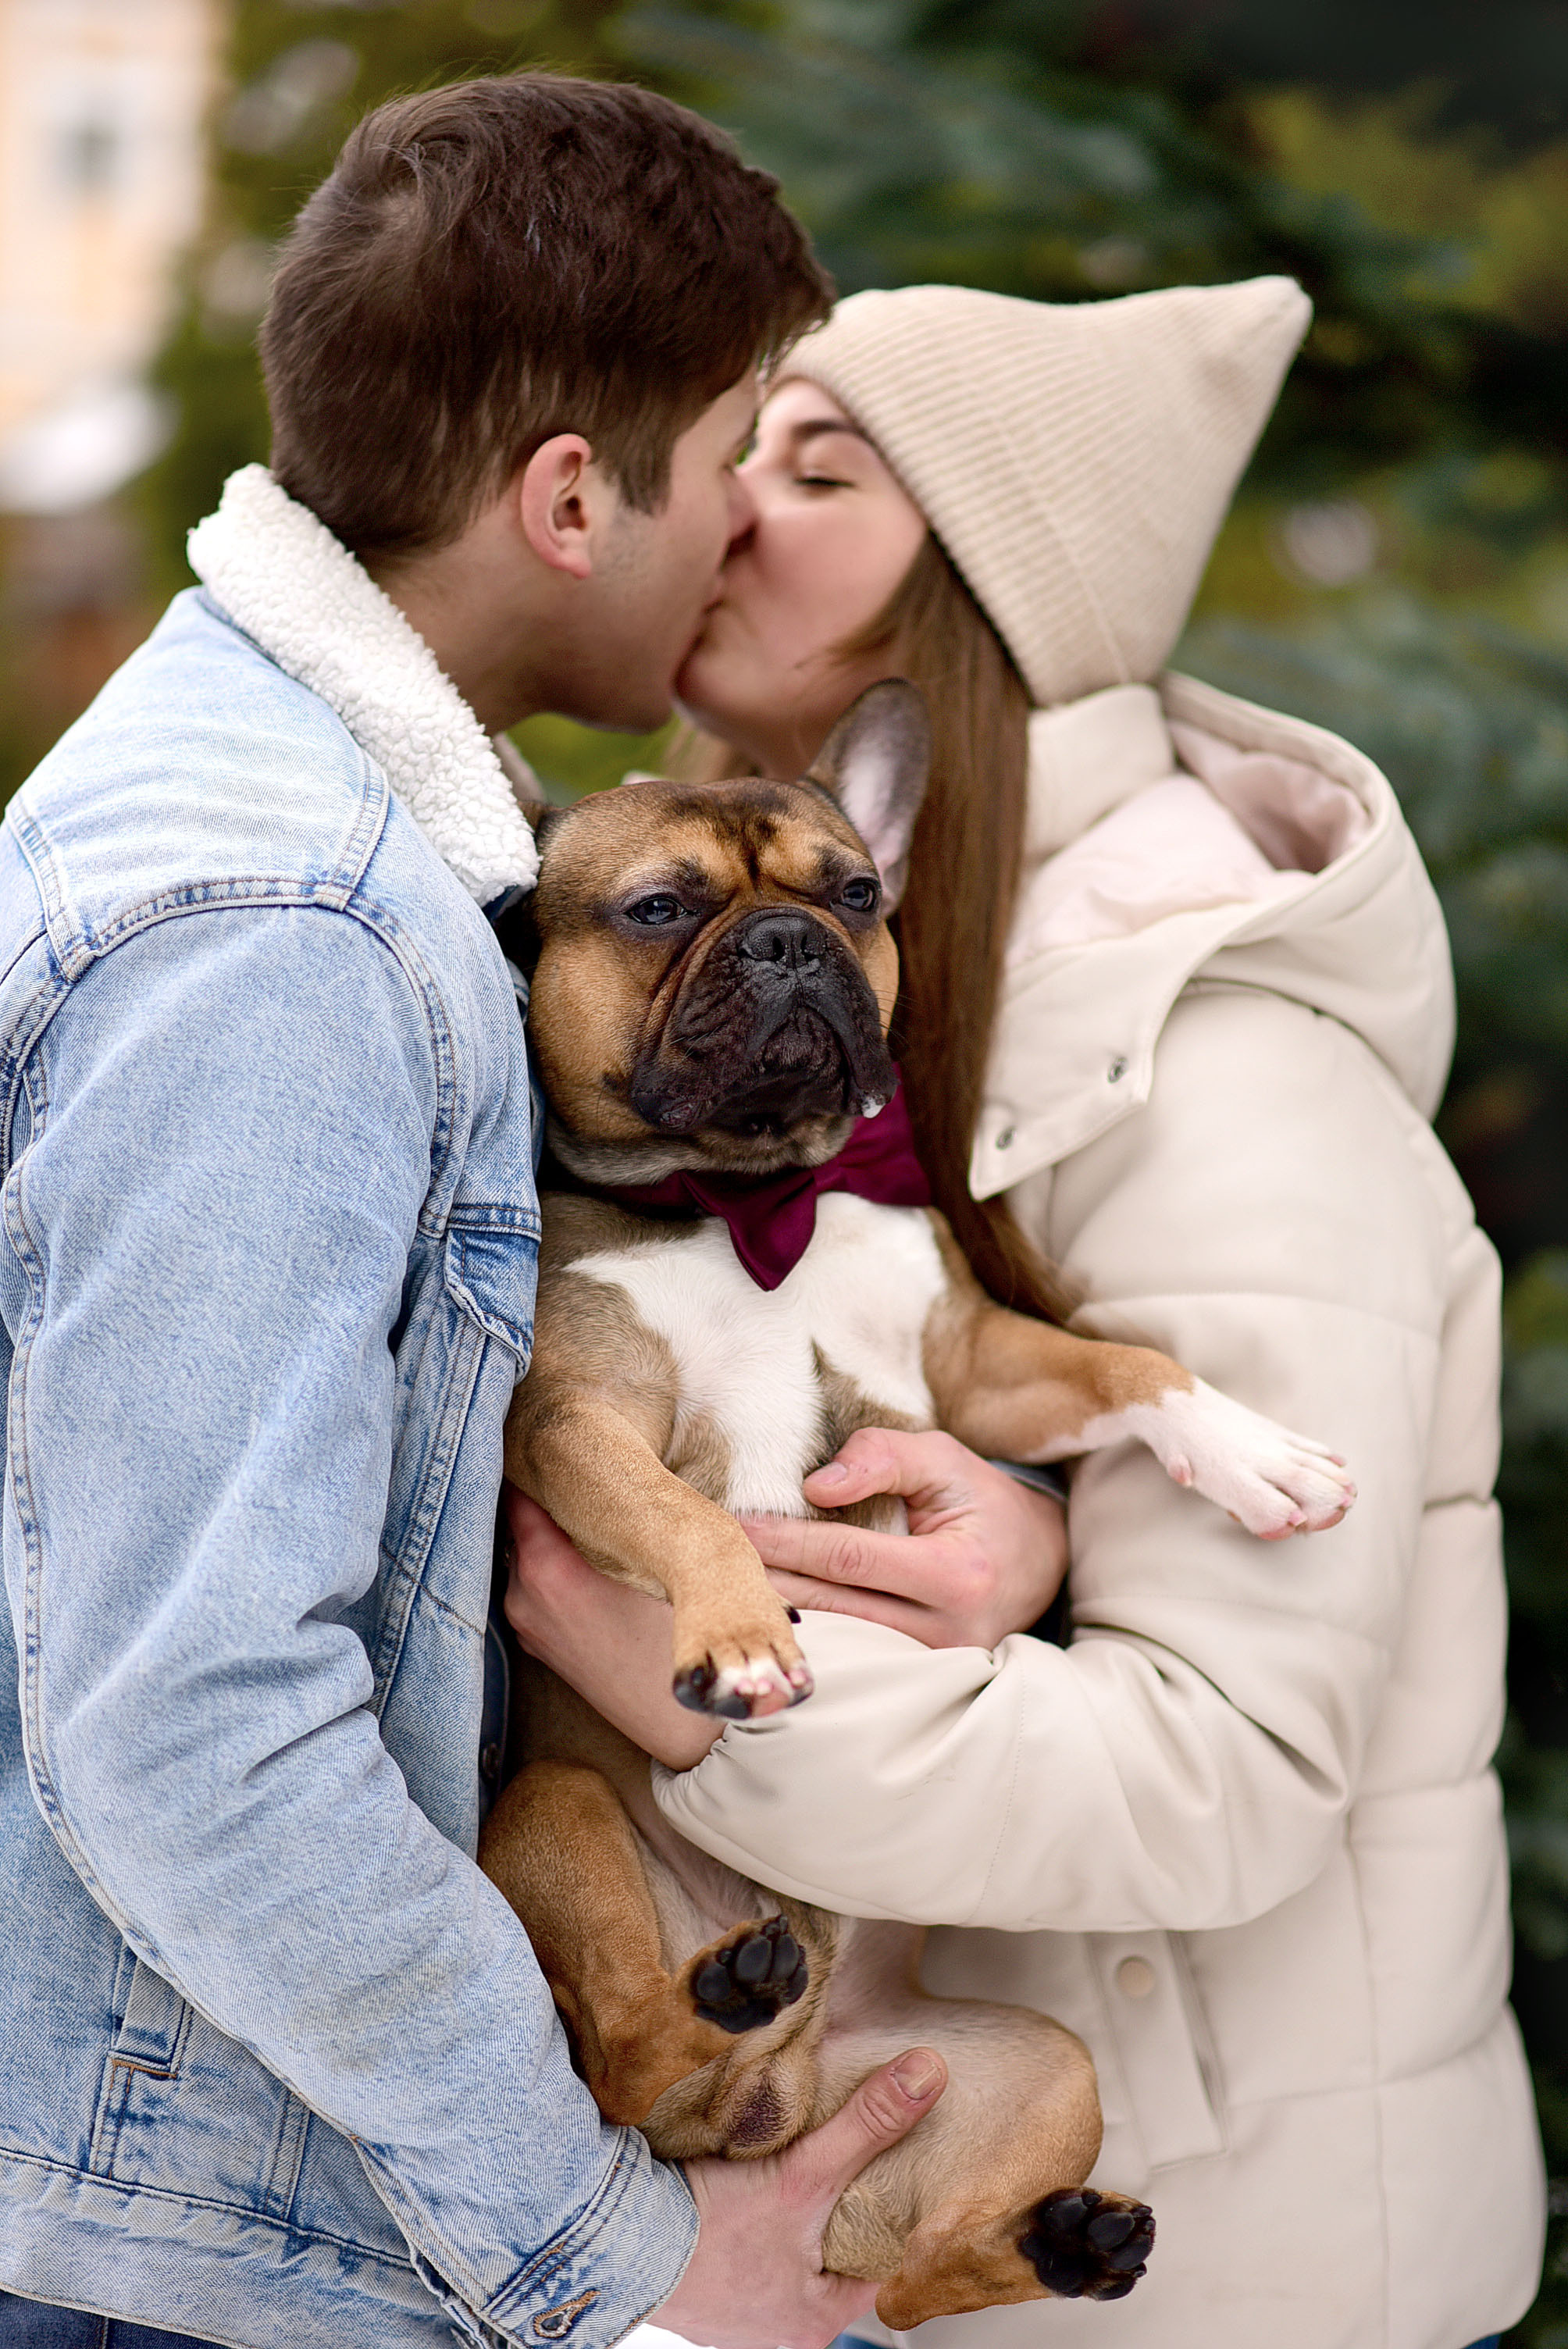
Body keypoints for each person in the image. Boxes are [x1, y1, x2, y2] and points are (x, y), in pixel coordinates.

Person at [0, 76, 955, 2349]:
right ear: (571, 499)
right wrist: (615, 2263)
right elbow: (194, 1728)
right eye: (734, 456)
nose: (750, 524)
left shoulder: (351, 835)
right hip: (223, 2250)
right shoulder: (288, 932)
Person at [501, 277, 1548, 2349]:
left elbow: (1230, 1765)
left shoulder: (1216, 1068)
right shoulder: (871, 1013)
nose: (725, 506)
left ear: (983, 590)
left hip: (1231, 2275)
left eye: (820, 475)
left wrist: (700, 1689)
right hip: (869, 2189)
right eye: (738, 454)